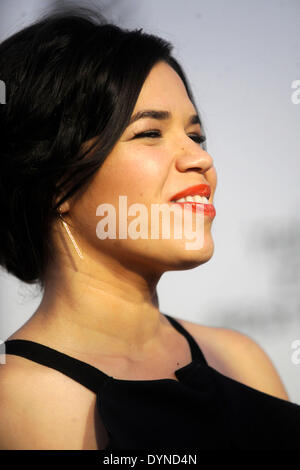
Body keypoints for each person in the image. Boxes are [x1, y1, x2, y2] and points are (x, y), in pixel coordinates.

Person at [0, 8, 299, 451]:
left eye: (195, 136)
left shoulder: (241, 359)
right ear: (56, 185)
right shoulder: (20, 403)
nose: (200, 159)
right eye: (150, 133)